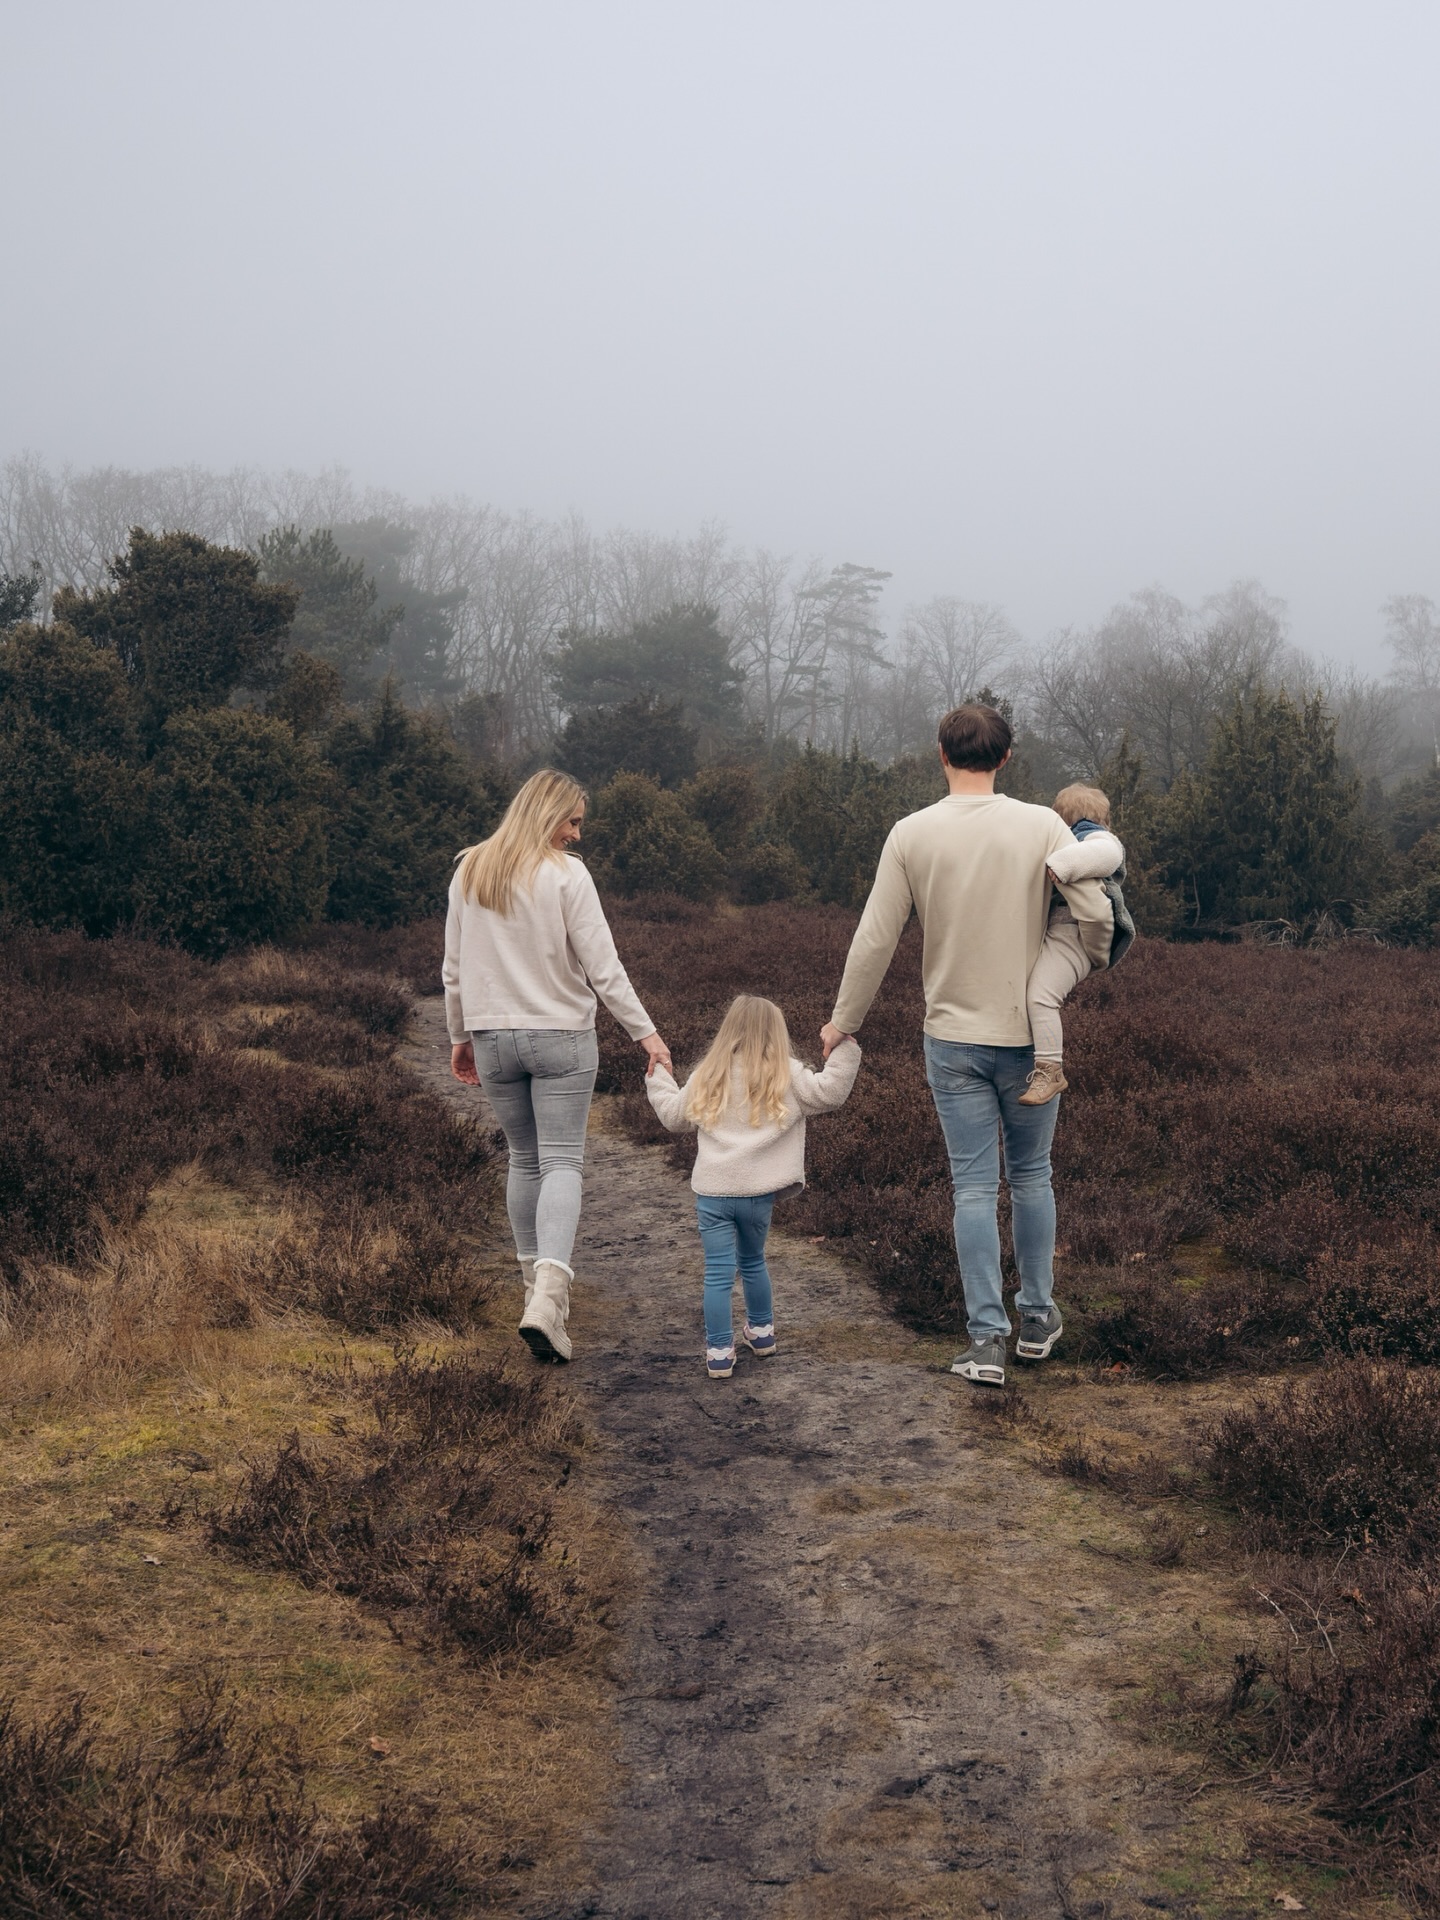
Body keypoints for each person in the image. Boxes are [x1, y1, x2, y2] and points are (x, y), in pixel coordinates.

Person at [819, 705, 1114, 1389]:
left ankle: (986, 1341)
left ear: (941, 754)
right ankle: (1038, 1319)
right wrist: (1093, 959)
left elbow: (875, 938)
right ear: (1005, 759)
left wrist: (844, 1022)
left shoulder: (910, 833)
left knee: (974, 1188)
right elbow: (1094, 903)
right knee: (1033, 1175)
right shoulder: (1043, 824)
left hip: (952, 1039)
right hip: (1028, 1037)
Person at [445, 768, 671, 1364]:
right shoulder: (567, 876)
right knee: (563, 1160)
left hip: (492, 1037)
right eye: (572, 821)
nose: (576, 835)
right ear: (547, 814)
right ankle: (549, 1298)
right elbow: (604, 966)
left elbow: (453, 968)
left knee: (524, 1158)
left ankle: (533, 1295)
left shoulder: (471, 868)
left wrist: (459, 1034)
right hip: (562, 1039)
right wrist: (646, 1034)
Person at [644, 994, 861, 1379]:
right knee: (753, 1261)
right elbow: (830, 1092)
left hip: (713, 1194)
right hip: (759, 1194)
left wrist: (659, 1074)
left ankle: (719, 1353)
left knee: (717, 1272)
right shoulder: (788, 1073)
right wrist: (843, 1047)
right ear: (776, 1032)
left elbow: (673, 1117)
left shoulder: (708, 1074)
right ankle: (761, 1334)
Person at [1019, 782, 1134, 1107]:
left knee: (1041, 997)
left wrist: (1062, 865)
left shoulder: (1096, 837)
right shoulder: (1066, 839)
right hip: (1058, 930)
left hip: (1076, 933)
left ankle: (1050, 1069)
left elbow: (1107, 855)